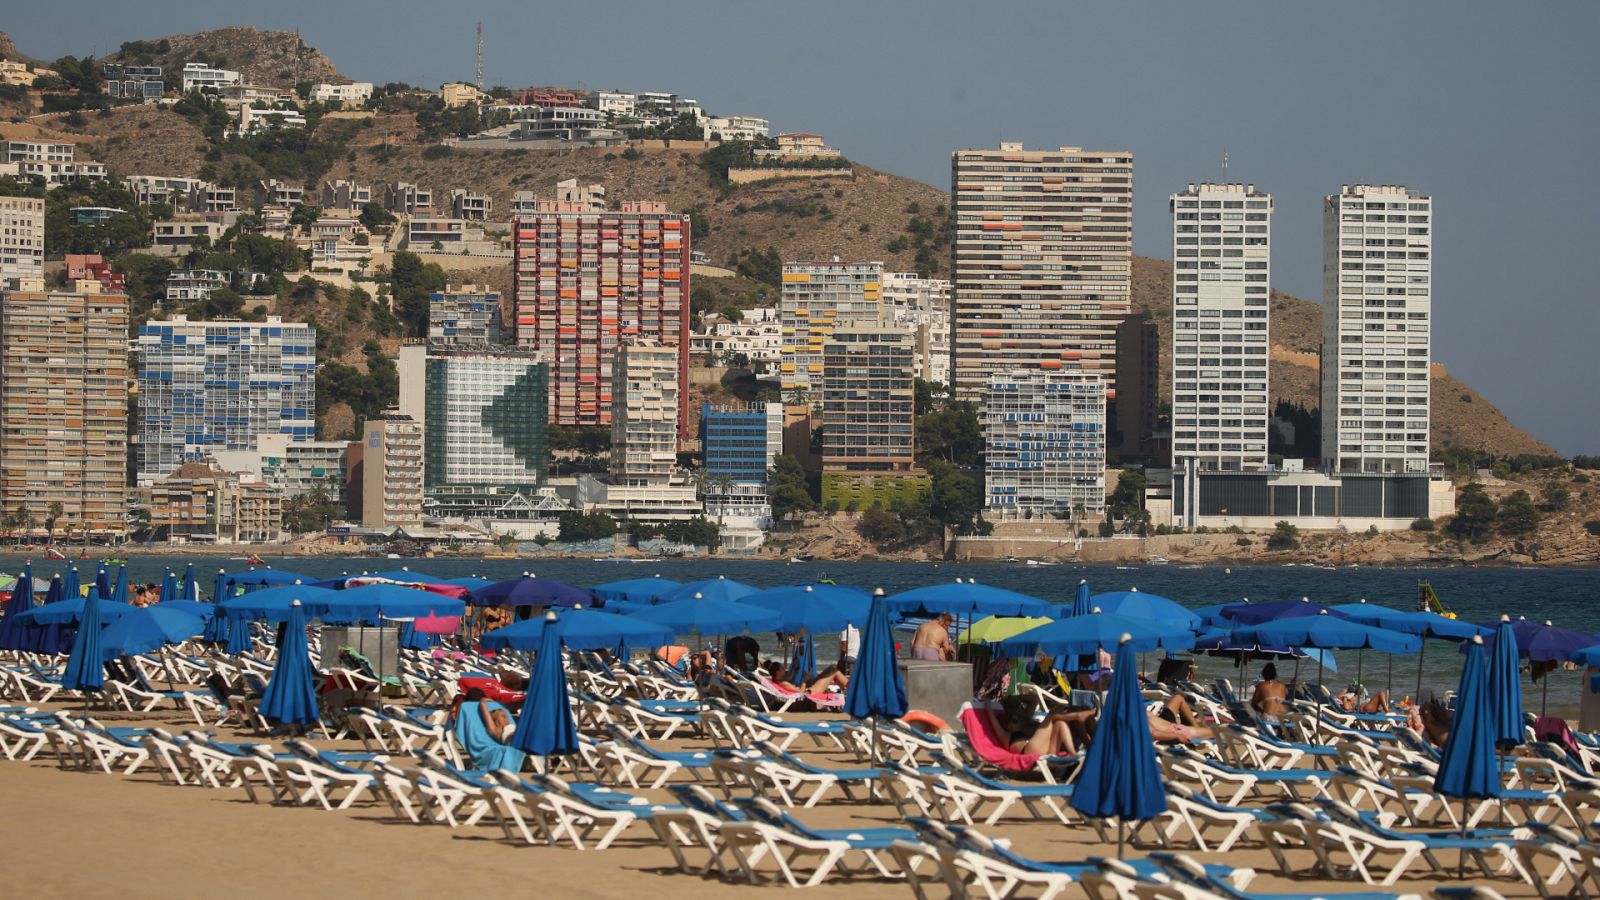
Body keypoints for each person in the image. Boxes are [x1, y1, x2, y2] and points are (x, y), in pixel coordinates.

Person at [451, 687, 525, 772]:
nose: (506, 718)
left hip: (522, 739)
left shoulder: (512, 724)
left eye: (506, 715)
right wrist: (483, 702)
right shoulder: (494, 731)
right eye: (502, 716)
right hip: (516, 742)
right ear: (495, 721)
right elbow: (484, 709)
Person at [989, 695, 1078, 756]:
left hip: (1042, 749)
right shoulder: (1005, 736)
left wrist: (1016, 698)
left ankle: (1073, 754)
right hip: (1029, 750)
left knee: (1060, 724)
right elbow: (991, 717)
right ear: (1005, 726)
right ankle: (1077, 716)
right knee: (1050, 715)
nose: (1017, 721)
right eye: (1014, 721)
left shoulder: (1025, 719)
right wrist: (986, 702)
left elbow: (1034, 699)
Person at [1148, 695, 1215, 743]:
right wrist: (1177, 736)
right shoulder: (1137, 718)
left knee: (1178, 698)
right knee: (1216, 732)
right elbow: (1155, 734)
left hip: (1162, 721)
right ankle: (1197, 730)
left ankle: (1196, 727)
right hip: (1171, 731)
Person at [761, 660, 848, 694]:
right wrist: (804, 680)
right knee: (835, 672)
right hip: (810, 691)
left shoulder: (782, 679)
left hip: (811, 687)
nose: (784, 669)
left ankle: (850, 689)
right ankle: (852, 690)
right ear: (777, 672)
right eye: (782, 669)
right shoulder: (783, 683)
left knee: (832, 668)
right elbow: (800, 692)